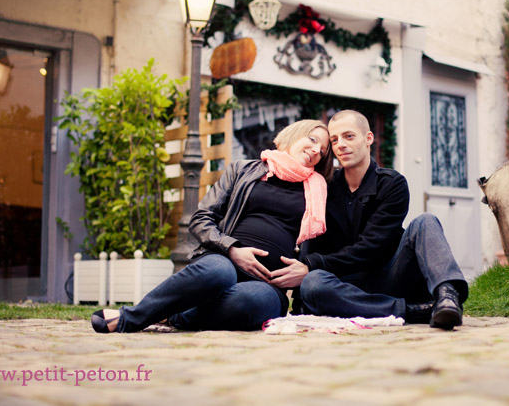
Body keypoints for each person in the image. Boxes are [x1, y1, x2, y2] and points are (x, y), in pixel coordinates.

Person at [90, 119, 333, 333]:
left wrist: (303, 270)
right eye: (311, 139)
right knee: (219, 272)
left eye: (321, 151)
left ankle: (175, 315)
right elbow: (201, 217)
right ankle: (132, 318)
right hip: (224, 260)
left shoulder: (317, 190)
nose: (315, 150)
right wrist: (232, 250)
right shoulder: (243, 169)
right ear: (293, 134)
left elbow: (318, 249)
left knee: (253, 302)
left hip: (267, 285)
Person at [271, 110, 468, 330]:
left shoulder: (392, 184)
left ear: (368, 139)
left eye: (349, 136)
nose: (341, 145)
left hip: (390, 275)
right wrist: (301, 295)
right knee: (313, 284)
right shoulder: (323, 187)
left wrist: (312, 264)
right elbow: (311, 237)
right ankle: (412, 310)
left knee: (426, 222)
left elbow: (372, 247)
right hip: (344, 284)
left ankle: (448, 297)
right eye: (334, 140)